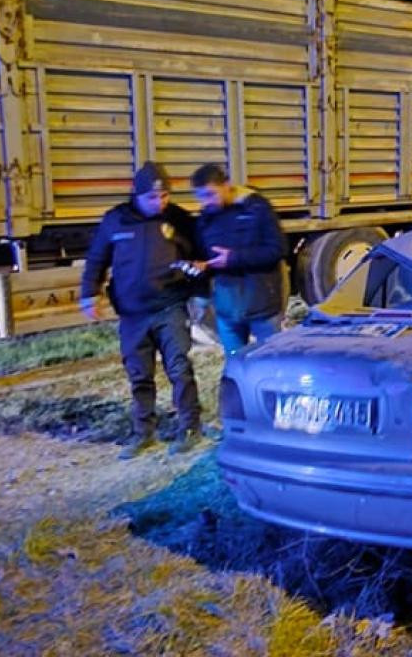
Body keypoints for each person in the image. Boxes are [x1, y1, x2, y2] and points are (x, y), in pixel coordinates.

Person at [79, 162, 203, 458]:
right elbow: (97, 259)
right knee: (139, 375)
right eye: (152, 198)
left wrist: (199, 295)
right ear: (137, 194)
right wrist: (89, 294)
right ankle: (143, 432)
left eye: (164, 197)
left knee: (179, 368)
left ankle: (189, 427)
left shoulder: (180, 220)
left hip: (169, 308)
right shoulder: (116, 221)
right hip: (133, 315)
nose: (159, 203)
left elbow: (199, 261)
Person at [188, 163, 285, 355]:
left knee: (271, 365)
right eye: (200, 197)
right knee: (235, 368)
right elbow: (204, 256)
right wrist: (201, 266)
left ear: (226, 185)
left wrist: (234, 258)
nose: (206, 202)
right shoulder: (206, 219)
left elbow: (278, 249)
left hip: (262, 308)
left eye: (210, 194)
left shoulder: (256, 207)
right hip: (227, 311)